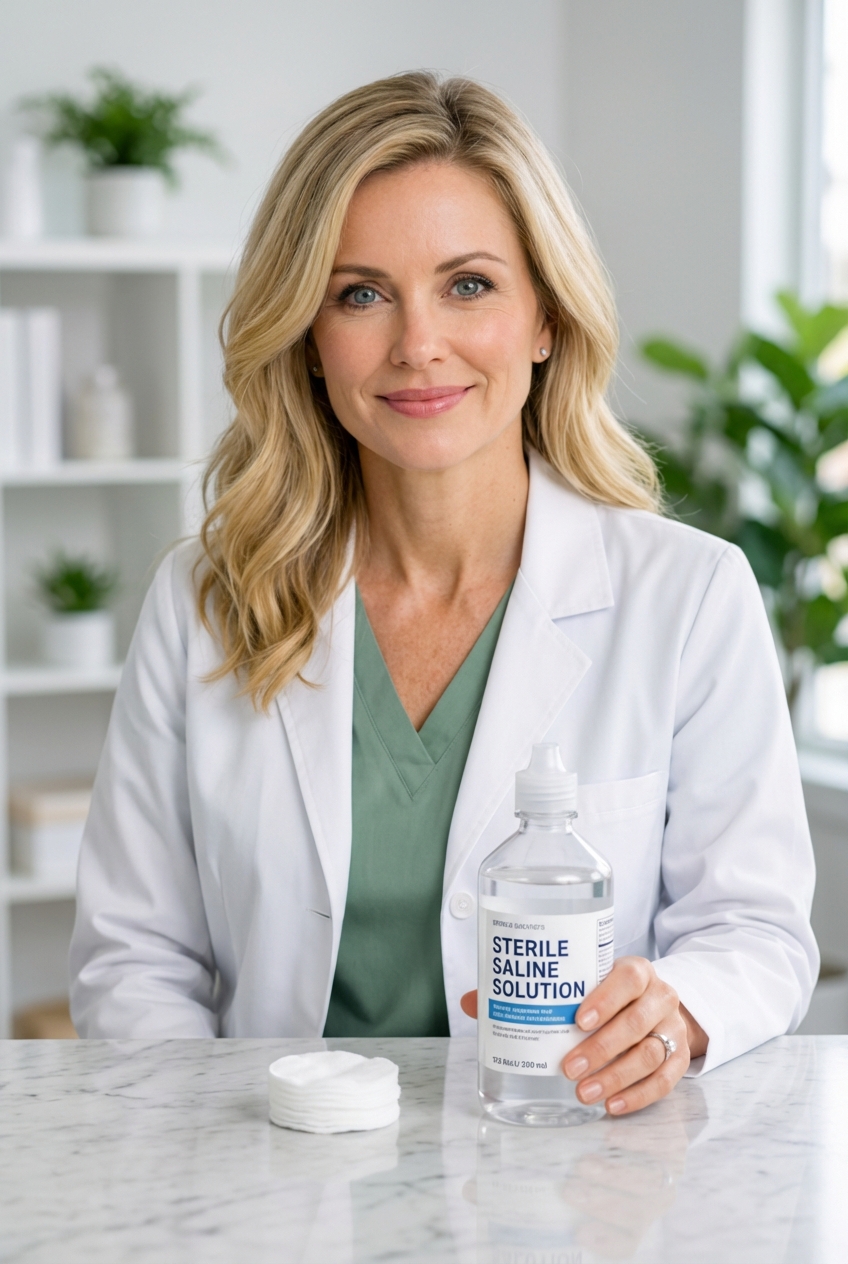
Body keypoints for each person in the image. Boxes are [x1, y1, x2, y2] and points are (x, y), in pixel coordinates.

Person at [69, 72, 817, 1117]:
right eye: (360, 293)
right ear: (307, 338)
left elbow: (754, 931)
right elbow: (134, 958)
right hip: (272, 1177)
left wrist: (678, 1011)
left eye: (467, 284)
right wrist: (217, 1158)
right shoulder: (202, 597)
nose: (416, 342)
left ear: (544, 318)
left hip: (572, 1175)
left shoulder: (686, 597)